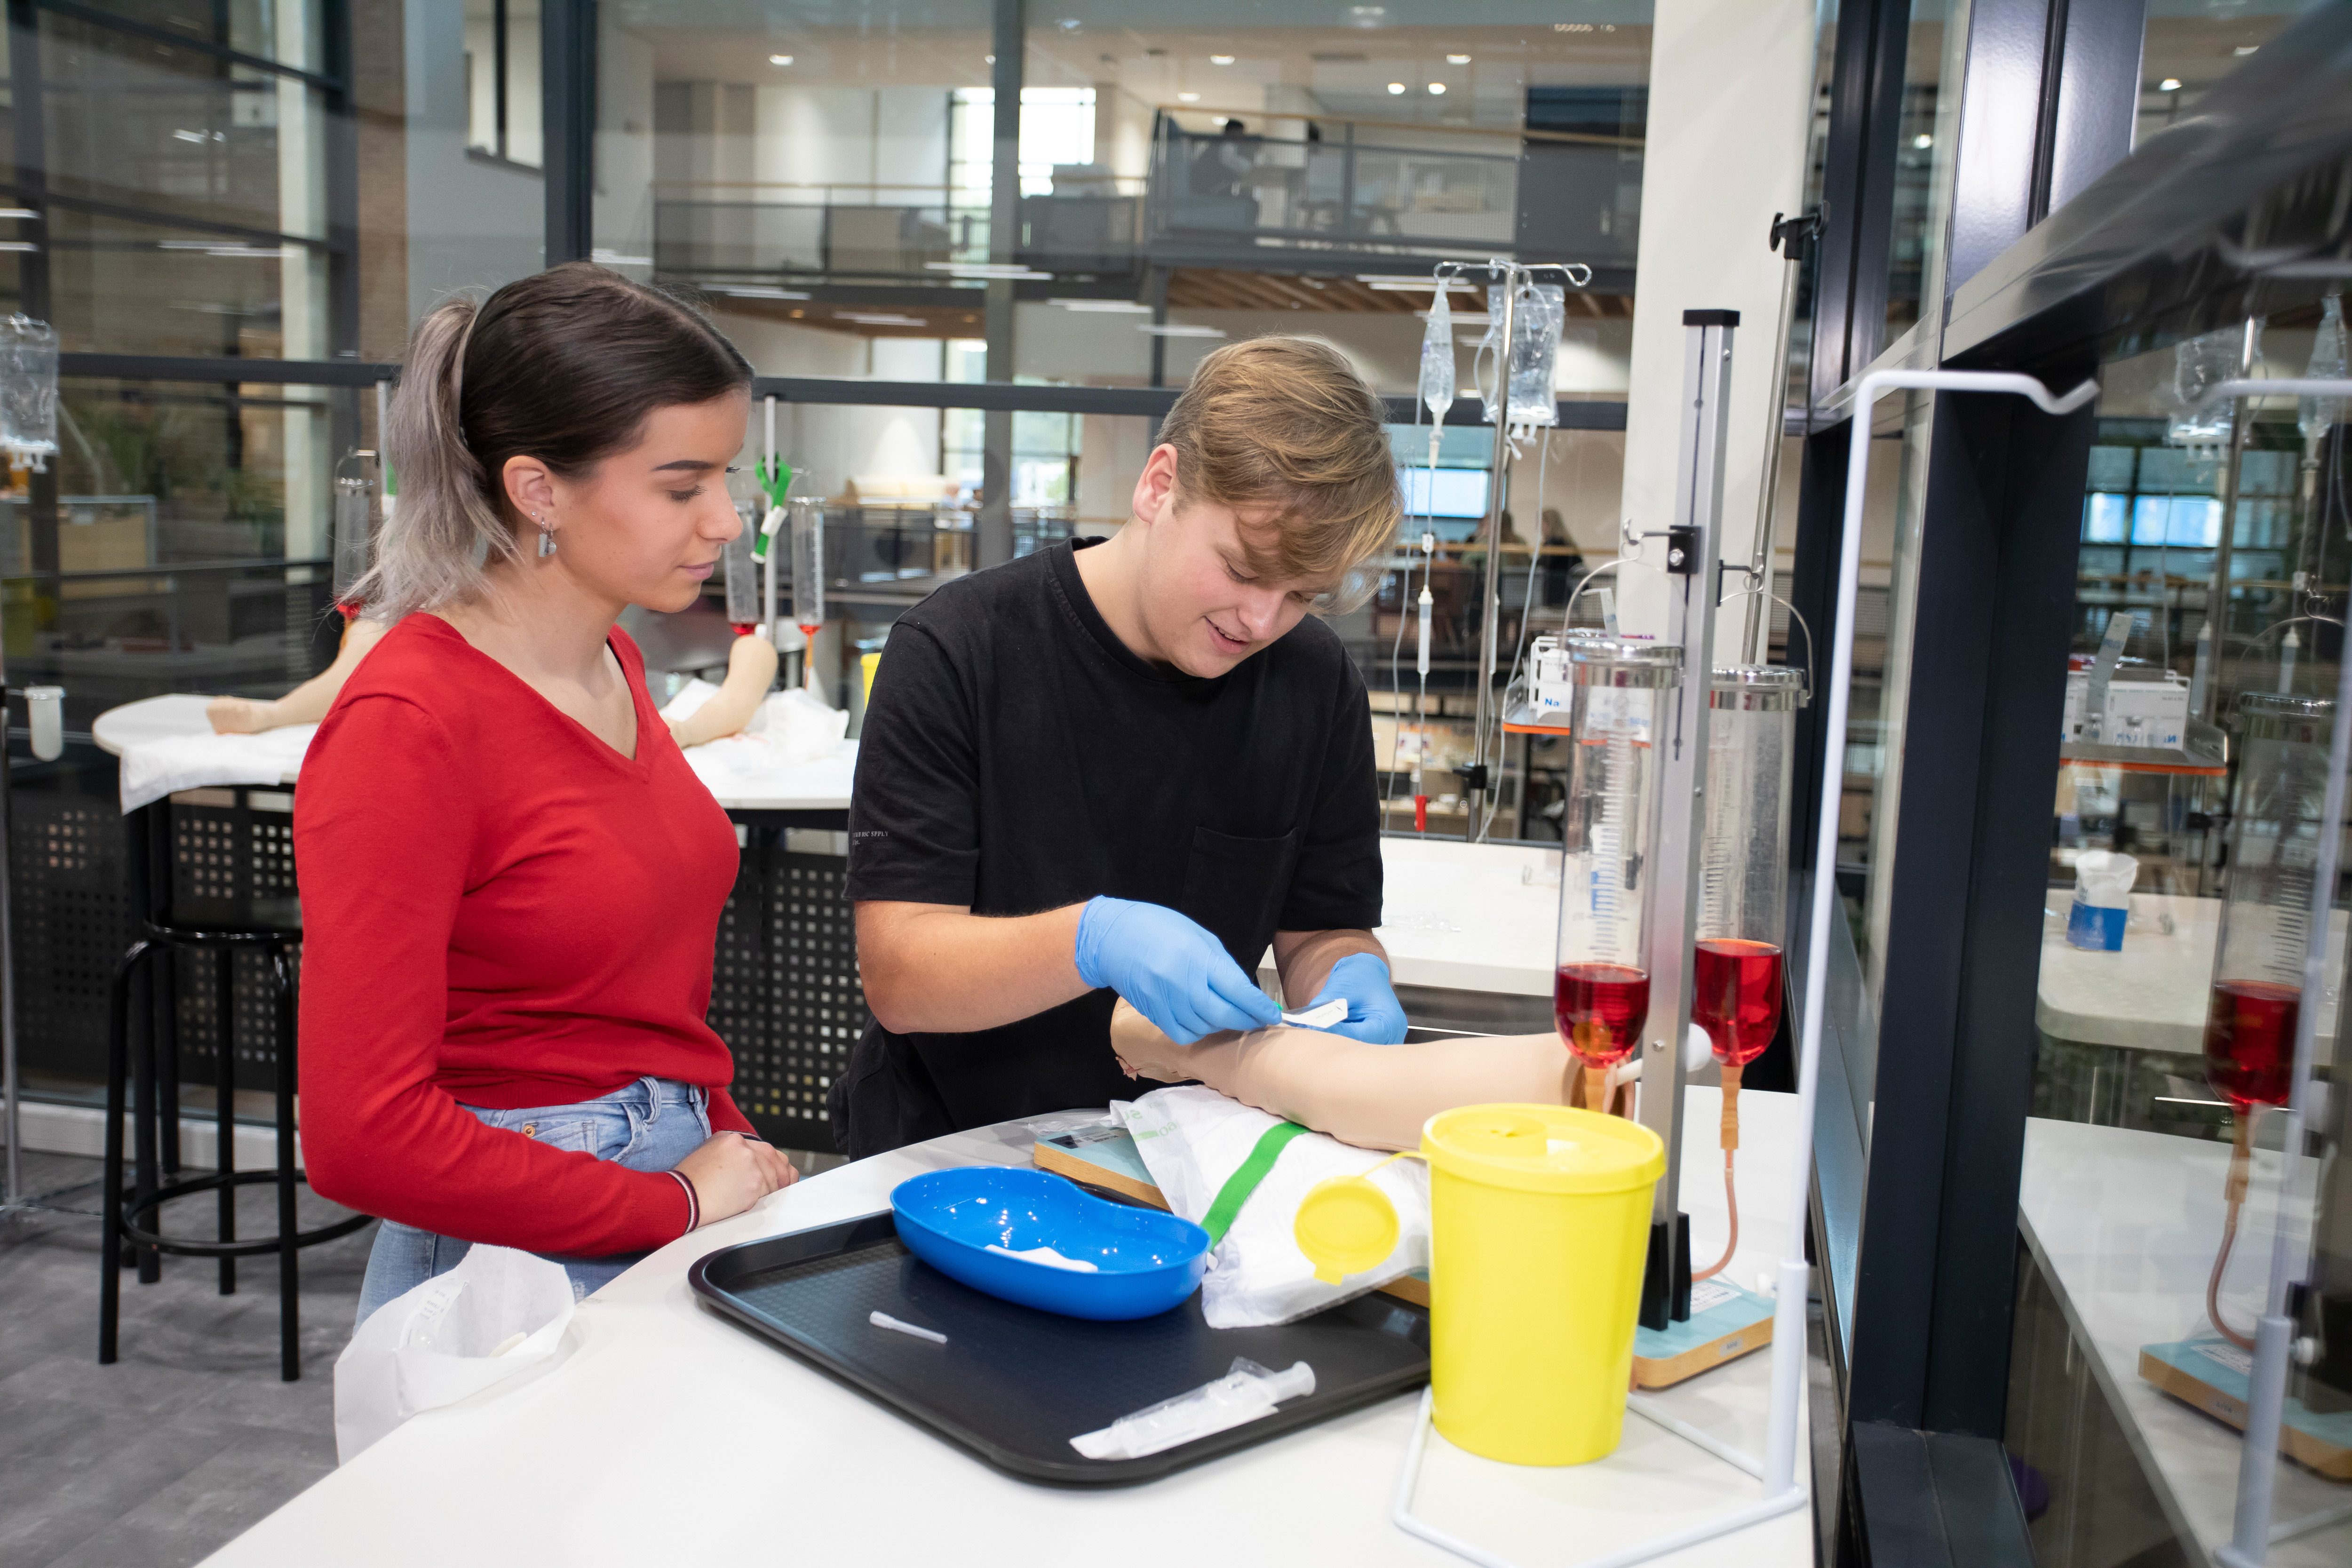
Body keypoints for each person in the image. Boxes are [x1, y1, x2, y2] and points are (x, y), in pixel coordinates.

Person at [296, 263, 799, 1325]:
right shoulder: (411, 721)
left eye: (727, 477)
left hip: (660, 1190)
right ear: (538, 489)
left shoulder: (611, 658)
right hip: (520, 1252)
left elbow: (634, 997)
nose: (724, 520)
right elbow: (362, 1134)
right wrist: (662, 1197)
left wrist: (721, 1145)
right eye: (681, 485)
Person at [840, 337, 1409, 1157]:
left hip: (1187, 1161)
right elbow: (900, 973)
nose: (1261, 620)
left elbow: (1323, 927)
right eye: (1243, 570)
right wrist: (1092, 941)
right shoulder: (959, 649)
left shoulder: (1311, 682)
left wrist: (1347, 979)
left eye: (1301, 595)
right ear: (1159, 484)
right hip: (948, 1151)